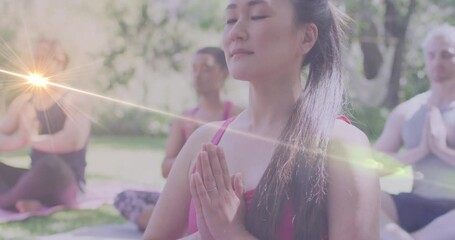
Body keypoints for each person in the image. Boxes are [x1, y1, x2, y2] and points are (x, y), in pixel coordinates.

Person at [144, 0, 379, 239]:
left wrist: (230, 233)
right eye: (231, 19)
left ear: (306, 36)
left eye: (257, 16)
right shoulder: (204, 142)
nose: (236, 32)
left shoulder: (343, 146)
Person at [114, 47, 242, 231]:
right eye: (194, 69)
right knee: (125, 198)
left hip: (219, 200)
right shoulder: (185, 119)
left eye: (206, 69)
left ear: (224, 73)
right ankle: (180, 226)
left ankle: (177, 227)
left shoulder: (236, 115)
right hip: (184, 198)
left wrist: (203, 144)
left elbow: (239, 166)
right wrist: (191, 147)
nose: (198, 75)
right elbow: (166, 168)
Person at [375, 24, 455, 240]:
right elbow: (371, 166)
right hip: (413, 203)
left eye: (446, 55)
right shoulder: (406, 111)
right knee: (361, 195)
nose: (437, 61)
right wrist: (419, 152)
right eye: (431, 55)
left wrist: (441, 150)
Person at [0, 38, 91, 212]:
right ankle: (27, 201)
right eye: (33, 57)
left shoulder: (74, 99)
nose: (36, 62)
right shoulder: (25, 101)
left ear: (60, 61)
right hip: (33, 181)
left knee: (50, 164)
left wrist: (31, 139)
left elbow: (73, 141)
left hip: (65, 181)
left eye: (42, 57)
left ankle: (8, 202)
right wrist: (18, 141)